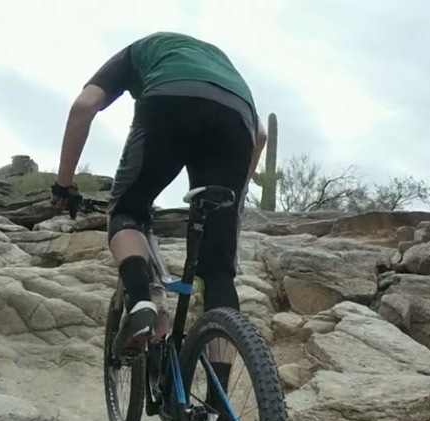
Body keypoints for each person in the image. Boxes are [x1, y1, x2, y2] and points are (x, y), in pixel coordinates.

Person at [50, 31, 267, 372]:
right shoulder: (220, 62)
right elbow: (262, 134)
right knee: (218, 271)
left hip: (170, 100)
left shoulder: (137, 51)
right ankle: (216, 410)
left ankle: (140, 300)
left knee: (127, 212)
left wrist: (63, 184)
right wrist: (231, 200)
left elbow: (83, 106)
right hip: (237, 119)